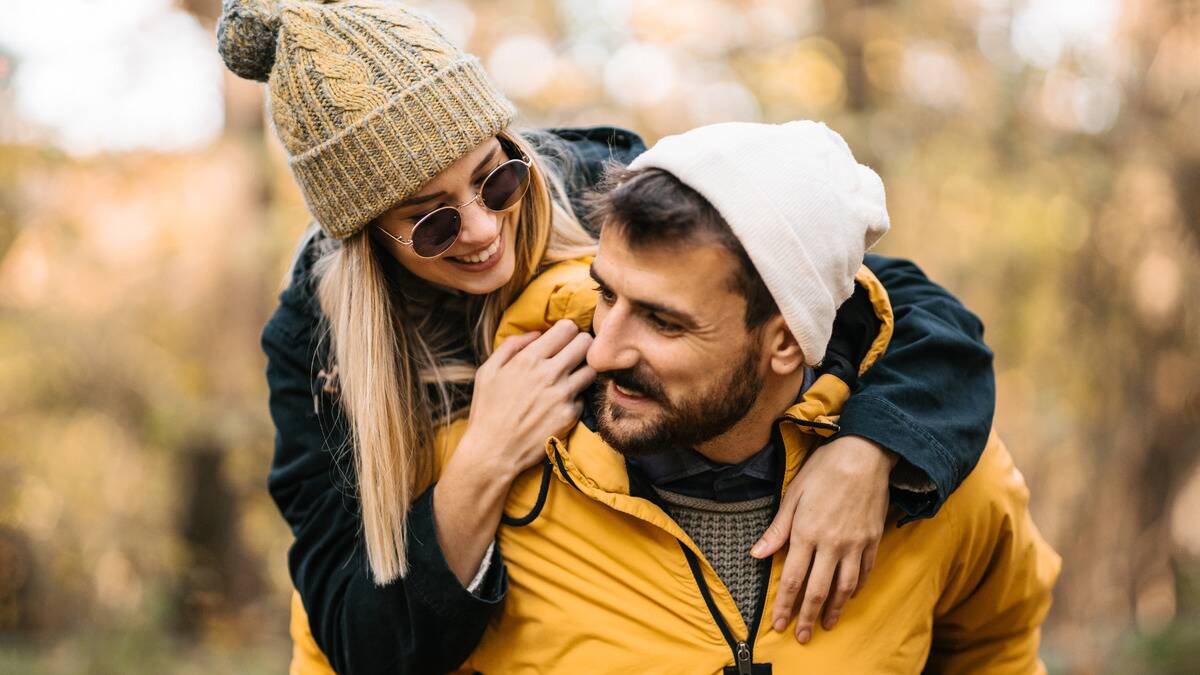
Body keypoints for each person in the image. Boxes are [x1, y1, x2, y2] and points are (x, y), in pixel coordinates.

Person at [214, 1, 997, 672]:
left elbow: (904, 308)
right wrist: (483, 461)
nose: (485, 229)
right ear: (370, 239)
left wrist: (870, 451)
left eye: (495, 177)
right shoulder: (317, 355)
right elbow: (358, 637)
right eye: (433, 218)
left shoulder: (604, 187)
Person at [450, 121, 1060, 672]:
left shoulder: (935, 479)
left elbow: (998, 652)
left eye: (664, 322)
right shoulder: (485, 463)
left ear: (786, 344)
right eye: (606, 295)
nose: (602, 352)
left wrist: (873, 453)